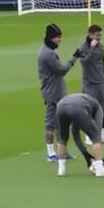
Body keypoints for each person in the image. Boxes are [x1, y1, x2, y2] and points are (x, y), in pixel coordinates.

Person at [37, 23, 80, 162]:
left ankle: (62, 152)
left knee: (61, 123)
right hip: (52, 93)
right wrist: (74, 59)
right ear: (51, 38)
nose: (60, 40)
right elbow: (62, 70)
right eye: (58, 37)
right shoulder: (47, 54)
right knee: (50, 124)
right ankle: (50, 154)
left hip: (57, 92)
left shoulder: (48, 51)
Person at [55, 93, 104, 177]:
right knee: (96, 138)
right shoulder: (98, 110)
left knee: (62, 138)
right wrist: (91, 157)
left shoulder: (88, 104)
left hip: (60, 107)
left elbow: (75, 134)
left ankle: (61, 170)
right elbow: (96, 136)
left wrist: (86, 154)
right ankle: (100, 170)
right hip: (77, 107)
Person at [78, 24, 104, 145]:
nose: (99, 37)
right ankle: (88, 136)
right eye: (97, 35)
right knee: (91, 111)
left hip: (100, 83)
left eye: (100, 35)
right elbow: (84, 63)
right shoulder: (82, 48)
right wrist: (91, 49)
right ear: (90, 35)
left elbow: (102, 64)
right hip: (89, 84)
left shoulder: (101, 47)